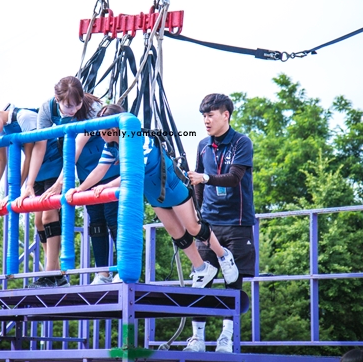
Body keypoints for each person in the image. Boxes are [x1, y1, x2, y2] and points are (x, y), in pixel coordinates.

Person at [64, 104, 238, 289]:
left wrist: (106, 186)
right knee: (176, 233)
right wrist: (79, 189)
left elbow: (135, 171)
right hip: (153, 193)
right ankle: (202, 268)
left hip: (170, 186)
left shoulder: (139, 139)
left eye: (102, 130)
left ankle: (223, 256)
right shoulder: (111, 145)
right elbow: (99, 170)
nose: (99, 134)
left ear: (114, 129)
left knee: (194, 227)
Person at [19, 76, 120, 287]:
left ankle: (122, 270)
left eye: (77, 104)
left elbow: (77, 146)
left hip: (107, 164)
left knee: (113, 218)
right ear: (57, 100)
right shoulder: (47, 110)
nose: (73, 110)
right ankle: (102, 273)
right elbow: (40, 145)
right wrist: (29, 183)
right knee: (96, 222)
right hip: (85, 170)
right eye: (68, 106)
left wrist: (60, 183)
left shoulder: (93, 109)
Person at [183, 93, 256, 354]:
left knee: (232, 282)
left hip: (238, 223)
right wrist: (198, 214)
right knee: (201, 279)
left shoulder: (242, 142)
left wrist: (205, 178)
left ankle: (226, 338)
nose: (206, 120)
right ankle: (197, 338)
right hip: (210, 224)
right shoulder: (203, 145)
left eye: (210, 115)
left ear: (226, 115)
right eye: (204, 115)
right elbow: (197, 184)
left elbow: (234, 178)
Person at [0, 102, 60, 260]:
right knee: (38, 222)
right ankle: (53, 268)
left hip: (53, 163)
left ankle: (52, 269)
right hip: (37, 172)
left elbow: (29, 155)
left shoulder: (24, 117)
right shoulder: (2, 128)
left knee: (48, 216)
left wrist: (15, 191)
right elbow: (1, 160)